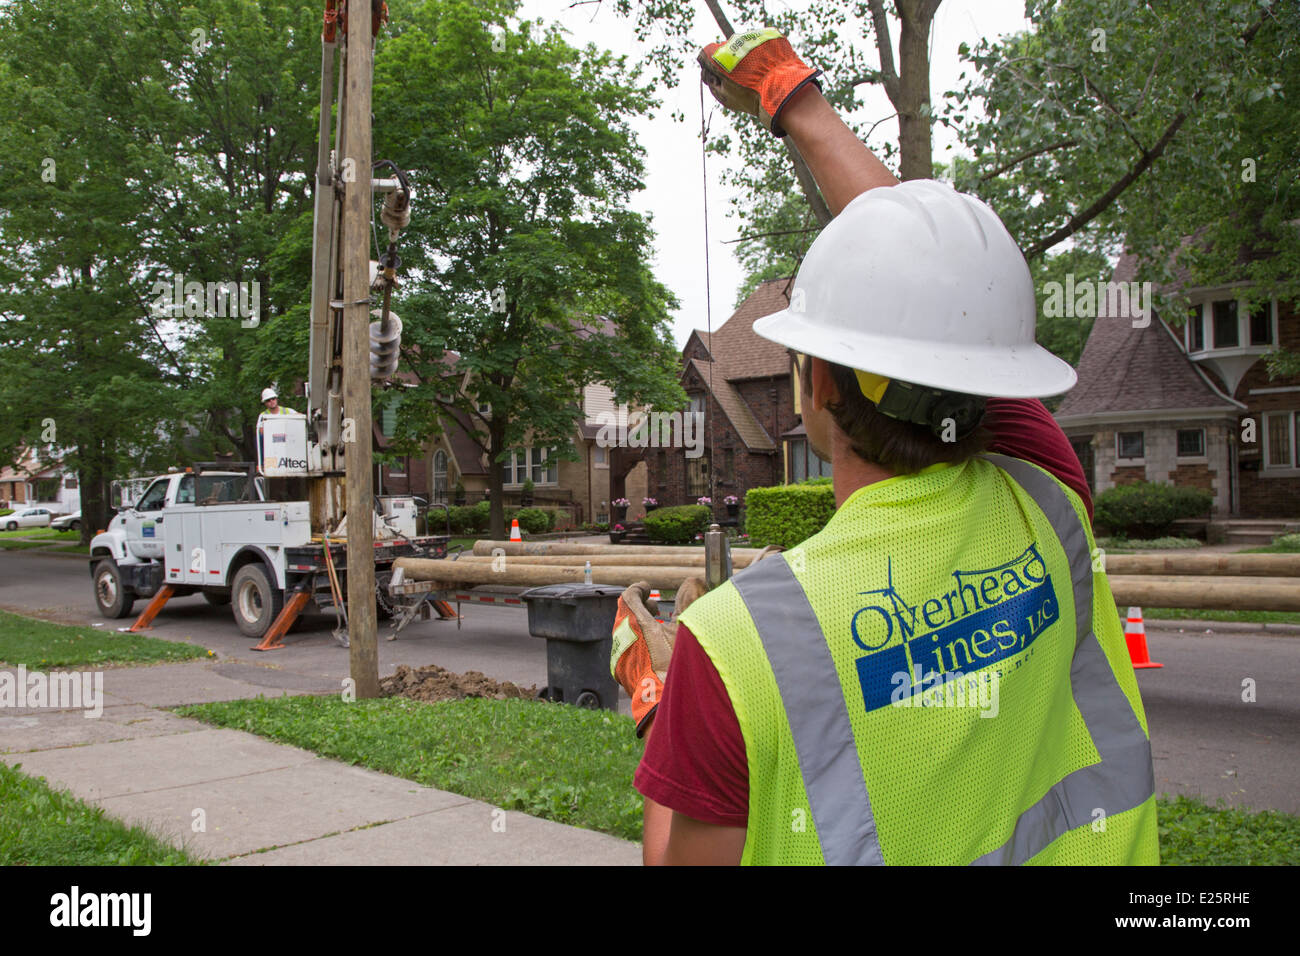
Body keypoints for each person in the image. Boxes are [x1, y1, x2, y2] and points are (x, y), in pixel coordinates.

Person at [610, 29, 1158, 866]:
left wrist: (663, 706)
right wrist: (796, 100)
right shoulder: (1046, 500)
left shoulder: (736, 645)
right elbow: (947, 297)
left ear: (815, 385)